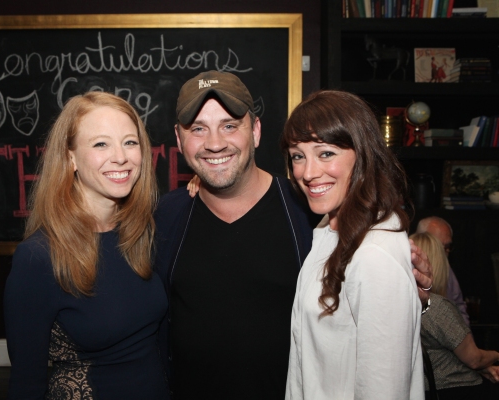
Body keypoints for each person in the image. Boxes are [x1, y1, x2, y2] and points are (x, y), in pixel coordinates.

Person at [154, 70, 432, 399]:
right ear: (179, 138)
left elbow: (371, 305)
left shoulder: (308, 207)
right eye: (198, 129)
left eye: (230, 125)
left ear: (255, 131)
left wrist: (416, 299)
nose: (215, 143)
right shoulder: (166, 216)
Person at [4, 92, 169, 399]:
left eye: (130, 142)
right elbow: (27, 381)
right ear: (71, 158)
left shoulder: (143, 232)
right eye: (100, 144)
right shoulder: (38, 257)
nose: (120, 156)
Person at [282, 90, 424, 399]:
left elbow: (384, 389)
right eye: (298, 156)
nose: (308, 172)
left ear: (362, 154)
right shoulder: (328, 232)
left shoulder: (374, 255)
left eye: (326, 153)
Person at [410, 232, 499, 400]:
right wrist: (495, 355)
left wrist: (483, 367)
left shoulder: (405, 305)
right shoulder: (437, 307)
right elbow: (474, 359)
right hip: (454, 389)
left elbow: (444, 356)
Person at [417, 216, 469, 326]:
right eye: (438, 246)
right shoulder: (406, 268)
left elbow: (460, 310)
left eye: (447, 247)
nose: (444, 252)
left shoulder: (448, 272)